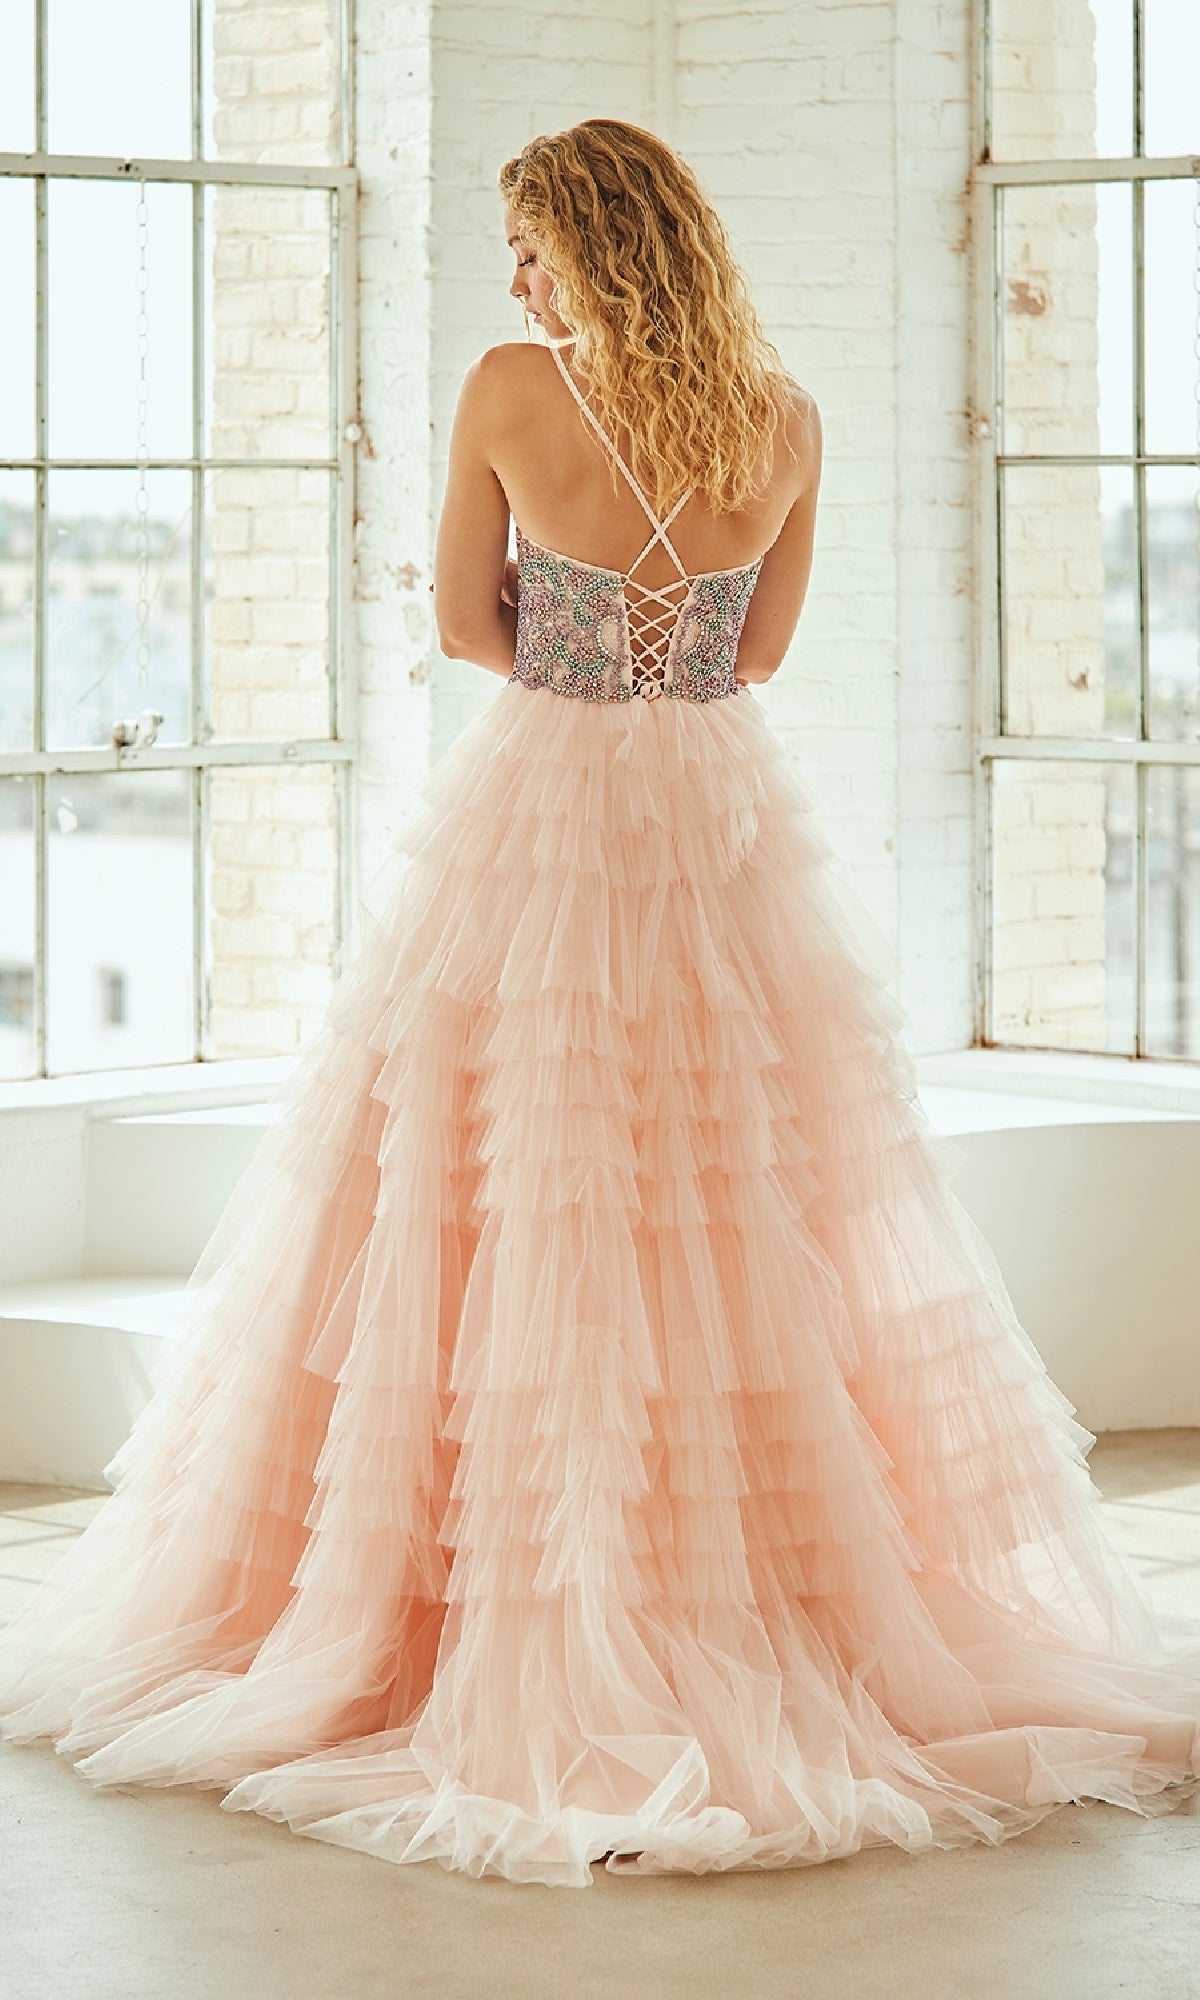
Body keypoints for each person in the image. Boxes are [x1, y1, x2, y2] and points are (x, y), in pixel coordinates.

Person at [1, 118, 1198, 1892]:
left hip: (545, 790)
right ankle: (738, 1599)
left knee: (489, 1165)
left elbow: (462, 624)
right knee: (732, 1182)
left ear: (592, 245)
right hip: (714, 810)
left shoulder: (511, 390)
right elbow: (760, 654)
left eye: (531, 244)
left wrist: (569, 637)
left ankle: (462, 1617)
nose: (515, 278)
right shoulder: (784, 419)